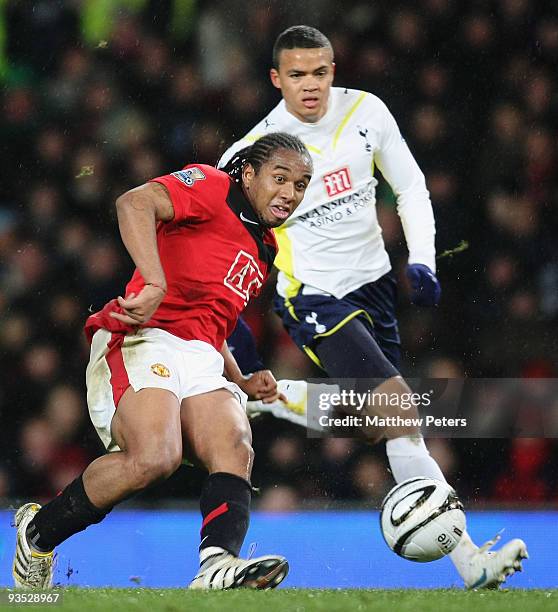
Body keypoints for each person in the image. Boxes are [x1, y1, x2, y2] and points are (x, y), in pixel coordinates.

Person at [219, 26, 528, 589]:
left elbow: (410, 187)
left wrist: (424, 259)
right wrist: (229, 322)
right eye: (296, 75)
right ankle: (470, 561)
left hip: (375, 289)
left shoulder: (367, 111)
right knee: (401, 407)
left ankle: (280, 399)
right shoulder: (252, 152)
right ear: (275, 78)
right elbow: (221, 242)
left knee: (389, 430)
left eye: (319, 72)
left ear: (333, 70)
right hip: (309, 293)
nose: (309, 86)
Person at [13, 132, 313, 590]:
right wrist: (153, 281)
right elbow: (133, 202)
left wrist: (243, 379)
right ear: (249, 174)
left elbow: (214, 325)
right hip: (144, 337)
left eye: (301, 184)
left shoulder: (266, 248)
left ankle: (216, 565)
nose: (290, 193)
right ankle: (37, 535)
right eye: (280, 178)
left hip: (201, 356)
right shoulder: (212, 186)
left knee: (235, 443)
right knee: (156, 457)